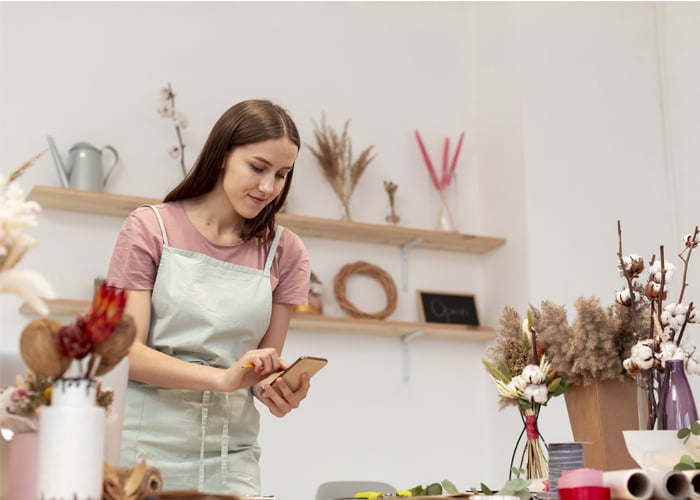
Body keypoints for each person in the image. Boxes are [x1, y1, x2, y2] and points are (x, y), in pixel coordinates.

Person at [106, 99, 312, 496]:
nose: (268, 187)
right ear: (222, 156)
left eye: (282, 174)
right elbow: (124, 352)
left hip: (231, 456)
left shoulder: (286, 252)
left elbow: (259, 371)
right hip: (141, 454)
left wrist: (276, 390)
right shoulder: (150, 229)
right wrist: (222, 379)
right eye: (257, 167)